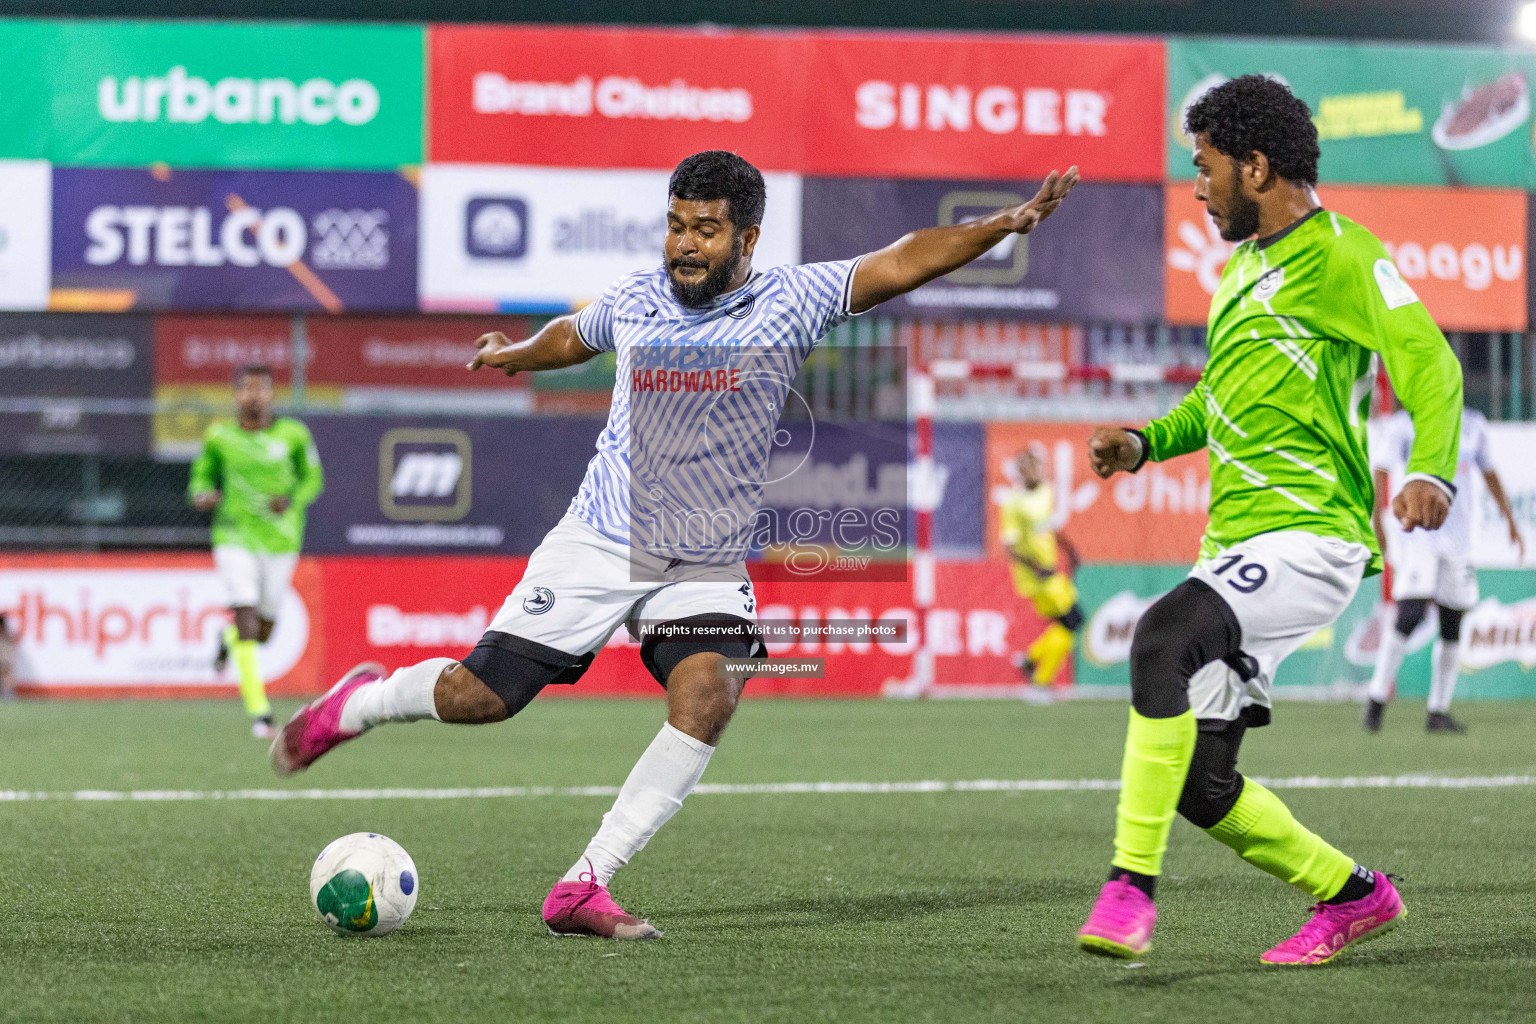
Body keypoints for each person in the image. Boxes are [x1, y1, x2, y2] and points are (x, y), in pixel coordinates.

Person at [272, 150, 1078, 939]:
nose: (686, 244)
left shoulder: (794, 299)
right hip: (598, 537)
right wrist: (516, 355)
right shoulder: (635, 299)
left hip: (702, 555)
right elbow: (572, 335)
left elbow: (903, 260)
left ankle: (585, 884)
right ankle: (359, 704)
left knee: (709, 692)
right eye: (676, 226)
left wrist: (1007, 222)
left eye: (707, 231)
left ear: (748, 241)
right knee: (478, 699)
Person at [1075, 76, 1462, 966]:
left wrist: (1433, 469)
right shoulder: (1242, 271)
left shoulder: (1344, 256)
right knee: (1202, 786)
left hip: (1311, 537)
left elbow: (1431, 364)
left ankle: (1130, 889)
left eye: (1206, 168)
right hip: (1239, 544)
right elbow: (1220, 402)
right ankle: (1354, 894)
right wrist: (1145, 441)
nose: (1199, 186)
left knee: (1159, 640)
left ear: (1255, 167)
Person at [1364, 402, 1524, 733]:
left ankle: (1438, 711)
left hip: (1459, 544)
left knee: (1452, 624)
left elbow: (1489, 473)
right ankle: (1376, 701)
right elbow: (1380, 470)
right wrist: (1378, 519)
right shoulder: (1405, 424)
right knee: (1410, 616)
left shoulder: (1473, 424)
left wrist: (1509, 519)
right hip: (1418, 537)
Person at [189, 364, 323, 738]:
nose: (254, 395)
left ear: (271, 394)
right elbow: (201, 476)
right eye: (246, 389)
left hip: (281, 541)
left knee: (262, 631)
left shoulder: (293, 435)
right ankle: (260, 714)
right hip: (234, 537)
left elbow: (314, 479)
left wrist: (292, 499)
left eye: (261, 389)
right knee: (247, 617)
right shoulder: (219, 437)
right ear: (236, 395)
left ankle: (227, 640)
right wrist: (202, 494)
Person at [999, 444, 1082, 687]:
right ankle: (1040, 679)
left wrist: (1069, 549)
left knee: (1068, 623)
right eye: (1028, 466)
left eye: (1037, 465)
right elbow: (1009, 547)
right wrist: (1036, 568)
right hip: (1035, 576)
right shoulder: (1012, 503)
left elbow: (1049, 526)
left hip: (1051, 569)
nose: (1035, 470)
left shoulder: (1046, 491)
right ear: (1020, 471)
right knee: (1072, 622)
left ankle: (1030, 660)